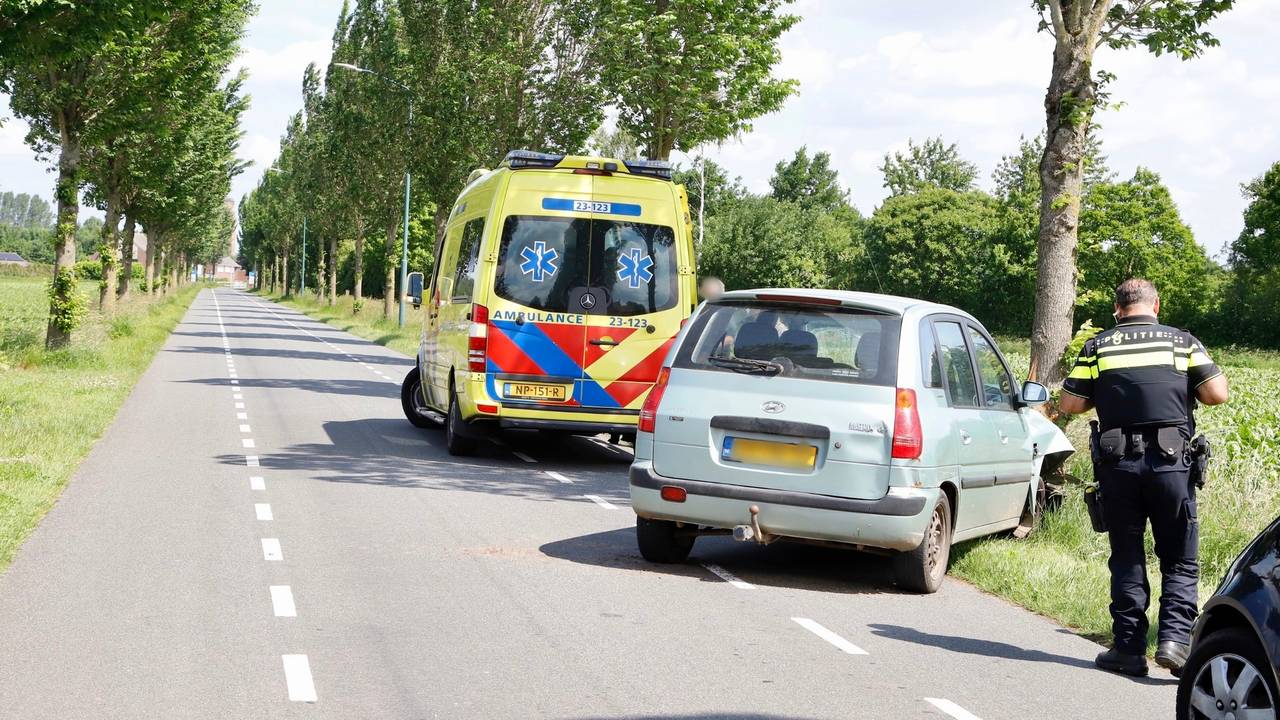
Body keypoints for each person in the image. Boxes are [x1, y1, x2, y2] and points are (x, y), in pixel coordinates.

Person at [1060, 279, 1229, 678]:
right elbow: (1217, 393)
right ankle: (1173, 642)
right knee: (1180, 560)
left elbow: (1071, 403)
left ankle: (1129, 650)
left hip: (1118, 466)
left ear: (1117, 309)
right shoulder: (1182, 343)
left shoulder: (1098, 346)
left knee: (1127, 556)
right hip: (1172, 466)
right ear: (1156, 305)